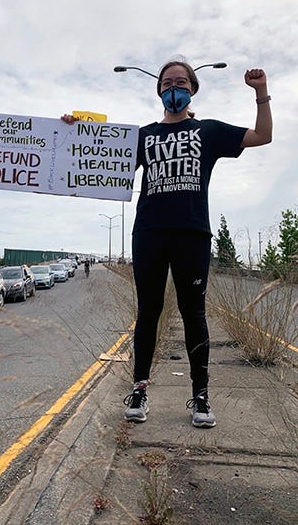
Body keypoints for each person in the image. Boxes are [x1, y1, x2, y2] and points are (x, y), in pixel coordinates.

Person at [62, 59, 272, 428]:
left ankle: (201, 397)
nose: (174, 88)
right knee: (148, 312)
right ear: (159, 90)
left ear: (192, 89)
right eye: (167, 83)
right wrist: (76, 133)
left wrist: (260, 94)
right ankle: (140, 388)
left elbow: (262, 136)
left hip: (192, 234)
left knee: (195, 315)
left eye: (181, 82)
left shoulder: (208, 131)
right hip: (150, 234)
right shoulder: (142, 136)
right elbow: (99, 160)